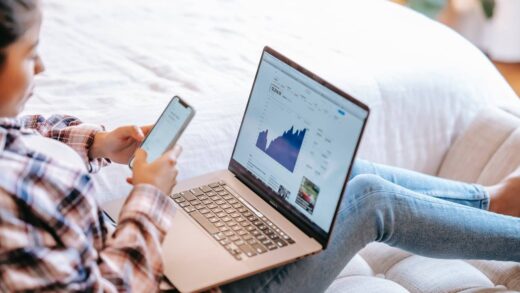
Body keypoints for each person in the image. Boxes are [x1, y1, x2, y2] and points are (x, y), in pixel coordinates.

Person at [0, 0, 518, 292]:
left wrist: (94, 140)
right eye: (31, 55)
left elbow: (28, 126)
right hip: (169, 281)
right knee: (369, 201)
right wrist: (150, 199)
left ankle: (492, 200)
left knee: (340, 177)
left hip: (143, 253)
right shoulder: (15, 191)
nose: (41, 69)